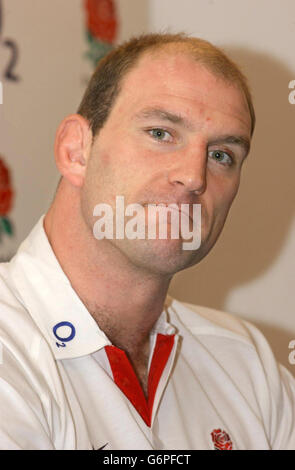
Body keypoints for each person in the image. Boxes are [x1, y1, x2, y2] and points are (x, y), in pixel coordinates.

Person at [0, 33, 294, 451]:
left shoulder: (247, 364)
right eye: (160, 133)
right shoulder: (9, 346)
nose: (194, 176)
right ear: (75, 151)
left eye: (221, 154)